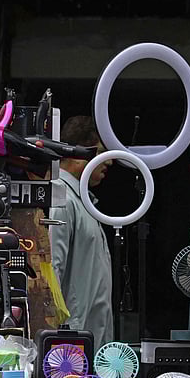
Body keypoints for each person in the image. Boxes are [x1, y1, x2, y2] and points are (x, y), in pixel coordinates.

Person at [48, 115, 112, 347]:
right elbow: (54, 269)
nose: (109, 162)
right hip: (72, 341)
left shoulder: (81, 200)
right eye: (101, 153)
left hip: (89, 337)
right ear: (81, 154)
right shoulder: (62, 198)